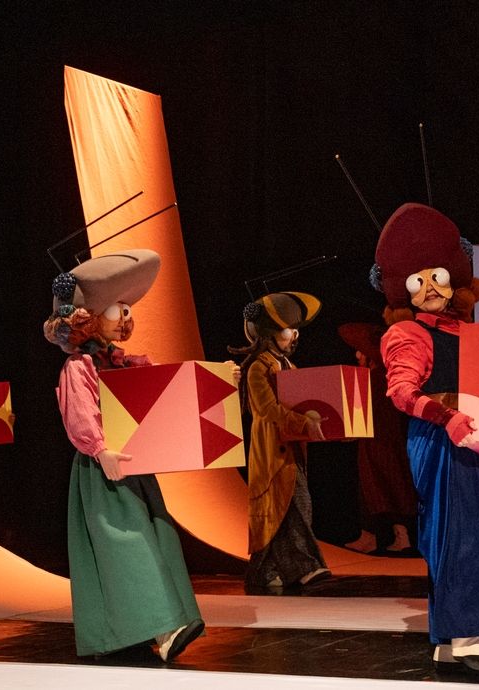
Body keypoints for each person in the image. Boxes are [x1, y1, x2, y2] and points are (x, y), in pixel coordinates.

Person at [374, 203, 479, 674]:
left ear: (453, 279)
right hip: (442, 442)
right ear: (403, 289)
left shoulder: (467, 331)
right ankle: (466, 634)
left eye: (437, 276)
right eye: (417, 280)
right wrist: (445, 417)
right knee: (464, 533)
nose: (428, 287)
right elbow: (401, 392)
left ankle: (451, 638)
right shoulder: (407, 333)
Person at [43, 249, 204, 661]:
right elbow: (80, 414)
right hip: (103, 471)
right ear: (90, 317)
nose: (125, 318)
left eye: (127, 310)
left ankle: (163, 623)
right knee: (128, 546)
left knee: (155, 537)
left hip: (135, 466)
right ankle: (161, 628)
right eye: (117, 310)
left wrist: (217, 381)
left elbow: (161, 393)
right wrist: (101, 451)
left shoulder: (122, 362)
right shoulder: (80, 366)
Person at [229, 291, 331, 591]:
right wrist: (303, 422)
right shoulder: (258, 367)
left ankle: (265, 572)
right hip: (271, 449)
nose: (294, 335)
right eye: (288, 328)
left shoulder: (288, 365)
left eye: (295, 329)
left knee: (288, 508)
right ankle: (306, 567)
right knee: (285, 506)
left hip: (292, 447)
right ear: (269, 332)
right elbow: (267, 409)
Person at [337, 322, 416, 554]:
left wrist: (350, 432)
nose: (357, 355)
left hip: (378, 441)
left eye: (360, 351)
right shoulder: (385, 376)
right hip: (388, 440)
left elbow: (363, 411)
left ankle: (376, 537)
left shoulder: (374, 378)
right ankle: (394, 536)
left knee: (378, 488)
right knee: (390, 486)